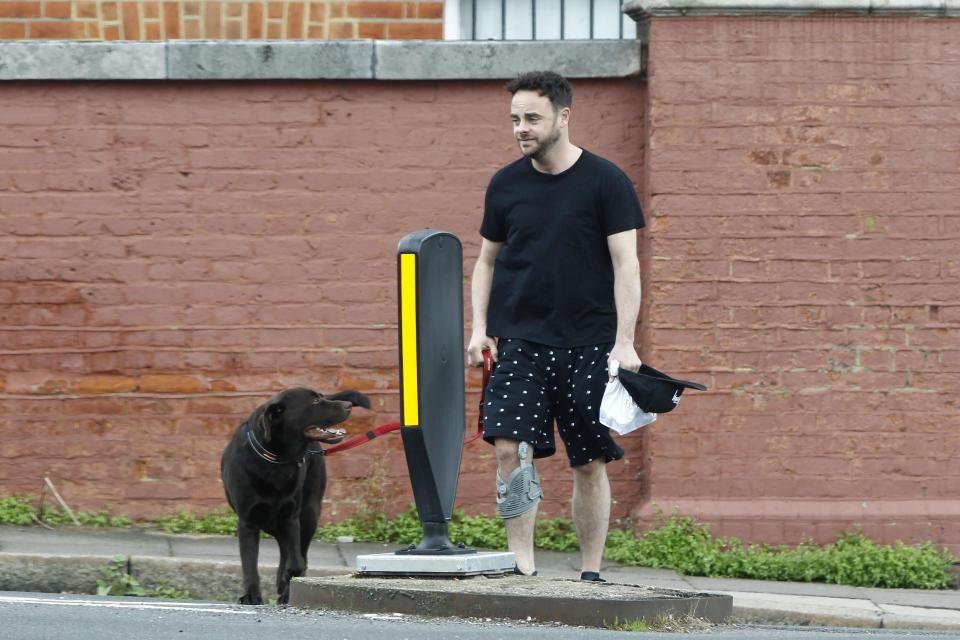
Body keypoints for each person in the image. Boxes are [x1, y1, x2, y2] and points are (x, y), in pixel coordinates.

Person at [466, 71, 645, 581]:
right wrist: (479, 327)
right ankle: (522, 565)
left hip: (589, 343)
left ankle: (590, 569)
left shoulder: (606, 181)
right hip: (520, 341)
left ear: (563, 118)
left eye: (532, 118)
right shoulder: (505, 184)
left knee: (588, 461)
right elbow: (486, 262)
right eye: (515, 119)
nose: (521, 128)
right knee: (509, 448)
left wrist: (624, 342)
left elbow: (626, 265)